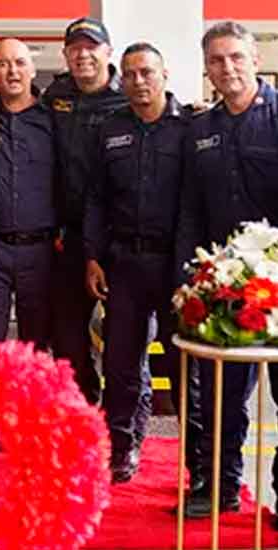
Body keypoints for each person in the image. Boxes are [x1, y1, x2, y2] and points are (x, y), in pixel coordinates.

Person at [84, 42, 202, 487]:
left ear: (164, 74)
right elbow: (96, 198)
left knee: (183, 368)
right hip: (123, 265)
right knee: (120, 366)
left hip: (175, 268)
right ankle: (123, 446)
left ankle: (197, 463)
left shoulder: (190, 126)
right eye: (130, 73)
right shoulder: (111, 129)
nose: (138, 81)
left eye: (147, 72)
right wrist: (93, 257)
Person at [175, 21, 278, 519]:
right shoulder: (201, 129)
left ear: (254, 58)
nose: (227, 68)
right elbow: (191, 209)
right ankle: (219, 487)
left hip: (276, 286)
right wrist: (190, 275)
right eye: (217, 60)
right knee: (220, 397)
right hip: (222, 287)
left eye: (236, 57)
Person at [42, 17, 127, 405]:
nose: (82, 55)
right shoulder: (54, 98)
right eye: (75, 47)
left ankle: (120, 423)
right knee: (67, 337)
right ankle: (82, 408)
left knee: (124, 341)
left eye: (91, 46)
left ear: (108, 52)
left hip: (120, 239)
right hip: (68, 238)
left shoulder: (129, 96)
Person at [0, 38, 54, 350]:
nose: (12, 72)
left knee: (37, 346)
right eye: (3, 64)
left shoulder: (53, 119)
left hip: (42, 251)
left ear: (32, 69)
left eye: (19, 63)